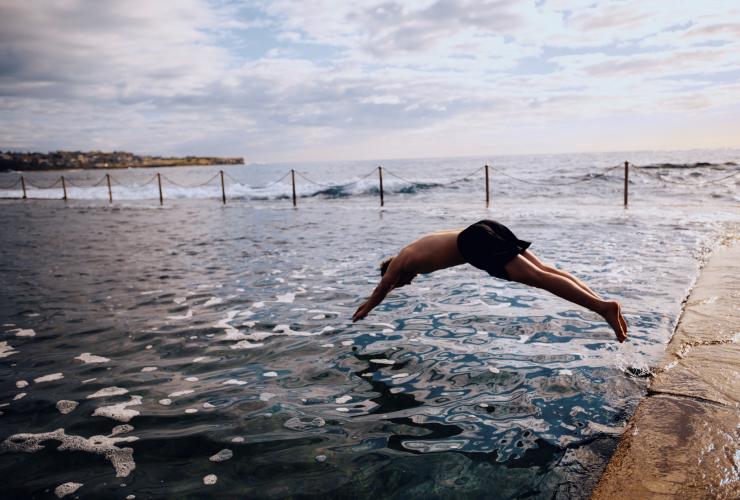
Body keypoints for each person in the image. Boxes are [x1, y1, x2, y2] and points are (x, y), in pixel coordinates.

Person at [352, 220, 627, 342]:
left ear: (394, 273)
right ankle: (602, 304)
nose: (406, 284)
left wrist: (366, 308)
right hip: (485, 227)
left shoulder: (401, 261)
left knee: (538, 278)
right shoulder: (413, 248)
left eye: (401, 283)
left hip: (474, 241)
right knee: (544, 269)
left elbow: (382, 287)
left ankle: (602, 307)